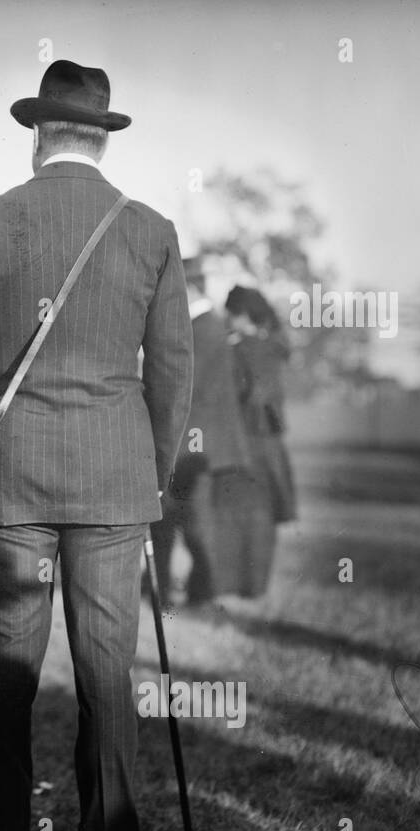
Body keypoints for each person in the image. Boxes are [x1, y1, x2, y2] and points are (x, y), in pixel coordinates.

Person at [0, 60, 193, 831]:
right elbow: (174, 370)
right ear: (100, 138)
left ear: (38, 133)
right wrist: (154, 473)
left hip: (12, 477)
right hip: (116, 477)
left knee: (6, 664)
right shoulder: (149, 229)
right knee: (108, 666)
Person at [149, 252, 252, 606]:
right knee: (181, 523)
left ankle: (190, 593)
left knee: (185, 524)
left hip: (194, 448)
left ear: (188, 287)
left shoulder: (202, 329)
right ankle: (177, 592)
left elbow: (183, 390)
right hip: (199, 446)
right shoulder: (208, 327)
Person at [214, 284, 296, 598]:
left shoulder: (237, 349)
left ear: (242, 315)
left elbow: (235, 397)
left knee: (234, 515)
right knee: (263, 518)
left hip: (242, 440)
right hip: (271, 446)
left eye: (231, 314)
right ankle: (256, 587)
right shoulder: (274, 346)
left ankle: (231, 585)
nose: (227, 319)